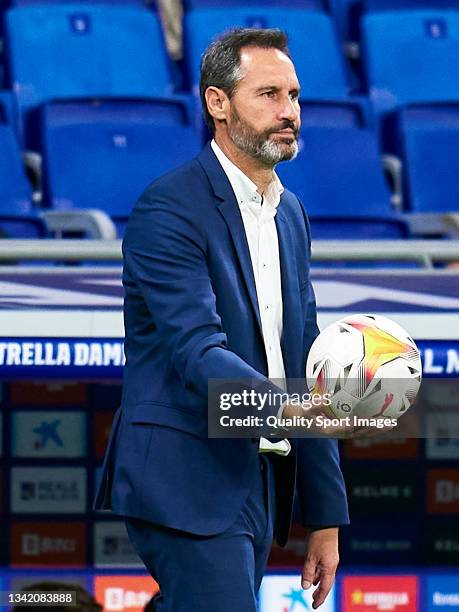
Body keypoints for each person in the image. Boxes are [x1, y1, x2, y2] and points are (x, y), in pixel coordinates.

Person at [95, 28, 349, 612]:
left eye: (294, 95)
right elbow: (196, 349)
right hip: (184, 475)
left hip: (261, 478)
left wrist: (325, 515)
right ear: (217, 103)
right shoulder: (168, 207)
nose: (289, 113)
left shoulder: (291, 214)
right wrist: (288, 406)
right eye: (268, 95)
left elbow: (305, 357)